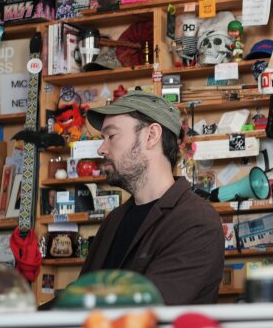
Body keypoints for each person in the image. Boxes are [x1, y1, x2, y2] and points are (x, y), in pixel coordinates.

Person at [80, 91, 224, 305]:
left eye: (111, 136)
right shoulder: (114, 220)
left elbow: (145, 311)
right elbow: (78, 298)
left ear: (151, 136)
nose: (102, 149)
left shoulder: (196, 222)